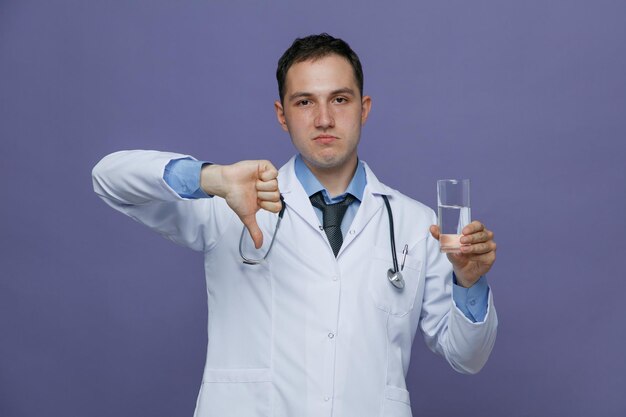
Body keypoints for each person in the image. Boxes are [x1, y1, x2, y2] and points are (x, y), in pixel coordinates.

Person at [92, 33, 497, 417]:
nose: (324, 118)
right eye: (304, 102)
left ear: (364, 108)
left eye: (339, 99)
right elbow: (109, 179)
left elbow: (468, 357)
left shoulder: (413, 223)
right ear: (281, 115)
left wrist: (469, 283)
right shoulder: (232, 202)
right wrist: (210, 179)